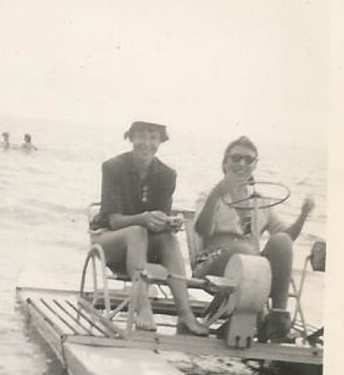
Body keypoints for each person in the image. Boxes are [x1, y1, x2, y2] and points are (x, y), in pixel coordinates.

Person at [90, 120, 207, 334]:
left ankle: (185, 313)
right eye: (141, 136)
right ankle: (143, 309)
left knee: (168, 239)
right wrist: (144, 218)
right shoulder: (113, 167)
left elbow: (157, 223)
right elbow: (114, 221)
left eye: (153, 137)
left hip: (141, 245)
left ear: (161, 141)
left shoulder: (167, 174)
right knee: (136, 231)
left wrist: (168, 223)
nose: (147, 143)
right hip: (109, 240)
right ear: (131, 137)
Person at [193, 136, 315, 341]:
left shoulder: (260, 199)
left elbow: (286, 237)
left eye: (248, 160)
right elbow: (202, 230)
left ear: (254, 165)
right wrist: (217, 193)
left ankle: (277, 318)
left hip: (251, 267)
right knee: (245, 249)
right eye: (236, 158)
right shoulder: (210, 194)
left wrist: (303, 214)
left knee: (281, 241)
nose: (241, 164)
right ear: (225, 163)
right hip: (213, 261)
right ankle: (250, 317)